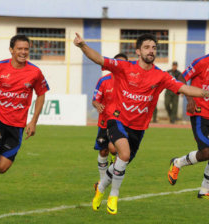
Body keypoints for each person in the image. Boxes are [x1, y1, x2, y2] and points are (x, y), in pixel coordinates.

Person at [74, 32, 209, 215]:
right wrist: (82, 45)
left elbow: (184, 87)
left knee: (119, 164)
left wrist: (204, 93)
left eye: (153, 47)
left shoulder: (161, 76)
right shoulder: (124, 67)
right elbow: (99, 59)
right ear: (138, 51)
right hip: (117, 119)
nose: (151, 50)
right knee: (124, 153)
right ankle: (114, 195)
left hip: (138, 127)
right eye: (146, 47)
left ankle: (100, 190)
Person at [0, 34, 49, 205]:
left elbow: (41, 94)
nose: (23, 52)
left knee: (2, 168)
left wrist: (33, 121)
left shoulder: (35, 72)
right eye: (19, 49)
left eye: (26, 49)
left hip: (17, 125)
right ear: (11, 50)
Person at [167, 54, 209, 199]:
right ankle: (178, 162)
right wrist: (189, 98)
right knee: (207, 152)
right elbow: (181, 77)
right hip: (199, 112)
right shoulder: (202, 61)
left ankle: (205, 189)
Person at [92, 53, 128, 187]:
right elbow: (95, 100)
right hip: (104, 121)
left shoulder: (130, 83)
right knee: (103, 151)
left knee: (113, 149)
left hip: (120, 121)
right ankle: (102, 180)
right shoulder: (104, 81)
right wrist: (97, 104)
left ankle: (113, 166)